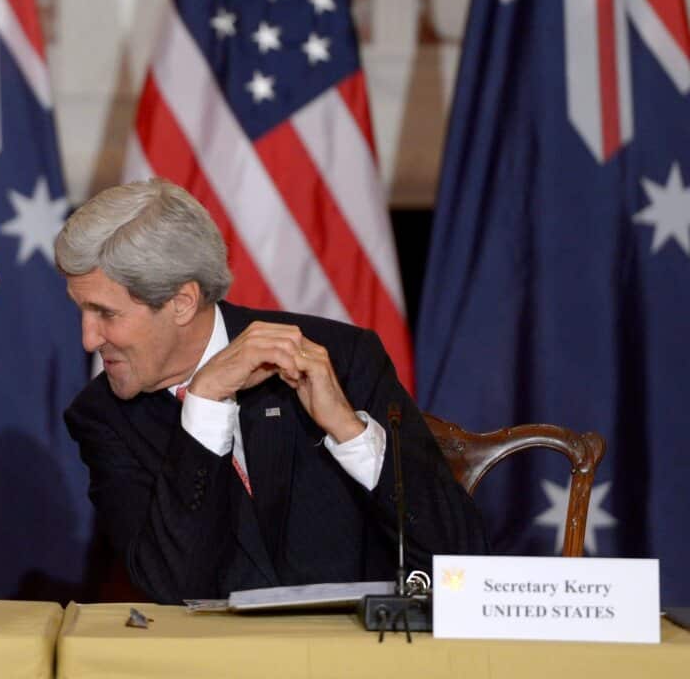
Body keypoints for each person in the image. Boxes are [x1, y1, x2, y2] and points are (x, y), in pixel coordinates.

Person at [55, 178, 486, 604]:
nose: (89, 339)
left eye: (105, 314)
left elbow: (461, 560)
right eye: (83, 312)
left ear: (182, 302)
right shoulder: (103, 416)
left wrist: (349, 431)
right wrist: (203, 406)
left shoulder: (339, 357)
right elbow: (173, 588)